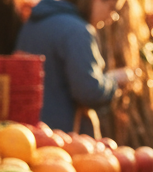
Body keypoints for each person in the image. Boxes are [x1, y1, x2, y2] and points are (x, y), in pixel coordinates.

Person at [15, 0, 131, 134]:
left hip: (26, 132)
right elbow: (88, 91)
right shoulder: (77, 31)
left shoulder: (33, 23)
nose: (111, 17)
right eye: (111, 8)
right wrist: (114, 80)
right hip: (61, 136)